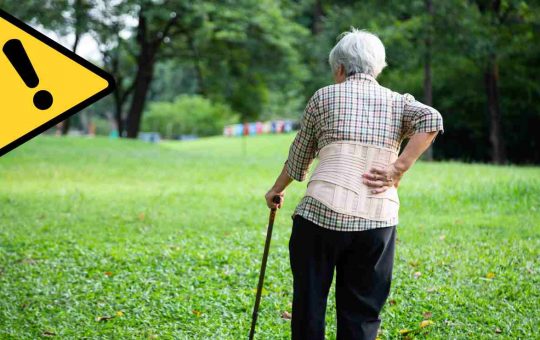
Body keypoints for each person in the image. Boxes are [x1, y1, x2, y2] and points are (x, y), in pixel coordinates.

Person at [264, 27, 444, 340]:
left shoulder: (324, 96)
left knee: (309, 305)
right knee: (361, 314)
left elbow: (300, 155)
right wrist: (397, 168)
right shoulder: (397, 102)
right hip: (377, 220)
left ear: (340, 68)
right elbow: (432, 120)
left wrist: (277, 189)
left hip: (320, 216)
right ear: (377, 68)